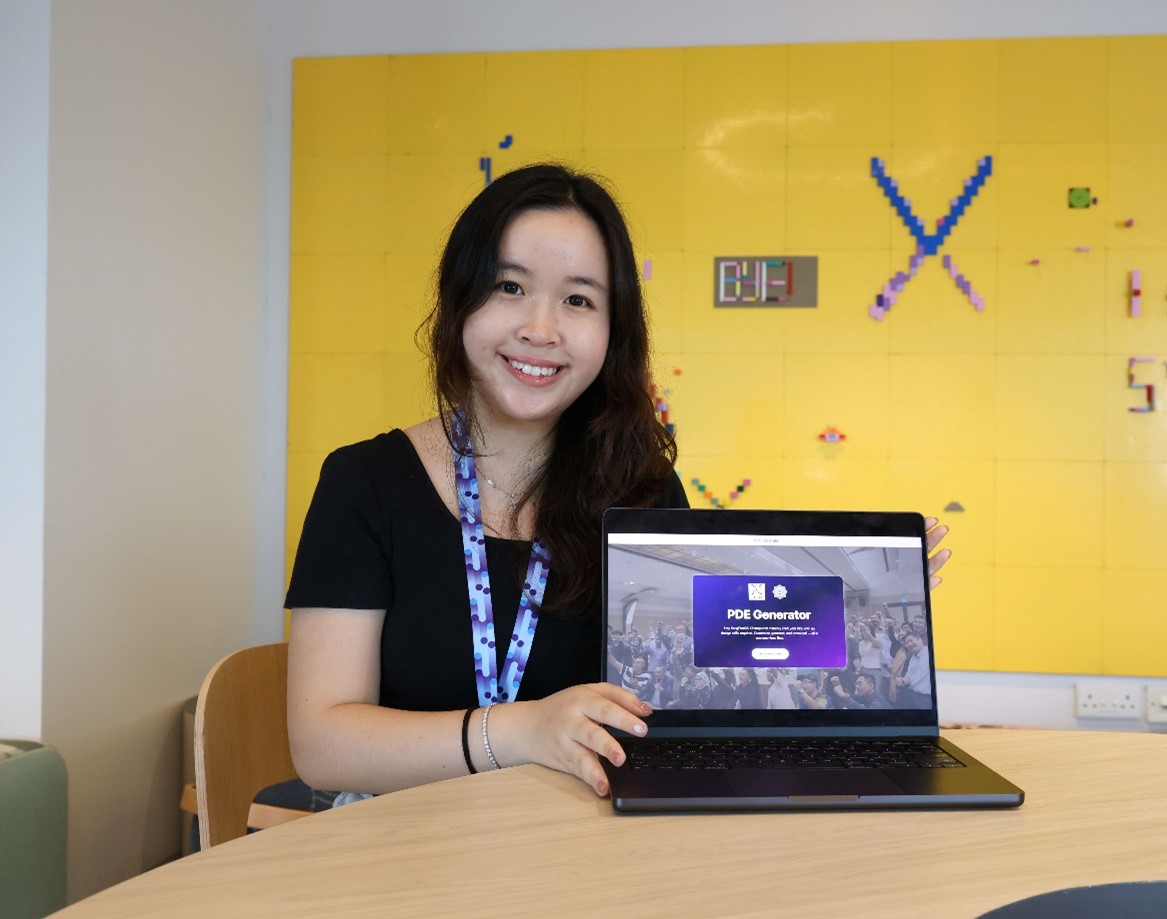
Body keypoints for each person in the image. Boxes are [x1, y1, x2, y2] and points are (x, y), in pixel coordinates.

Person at [284, 162, 952, 801]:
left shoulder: (639, 487)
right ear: (458, 300)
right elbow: (322, 743)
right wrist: (523, 729)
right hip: (402, 851)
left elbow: (719, 643)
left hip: (590, 844)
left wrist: (859, 597)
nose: (539, 329)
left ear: (613, 330)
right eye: (509, 286)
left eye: (577, 299)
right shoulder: (364, 484)